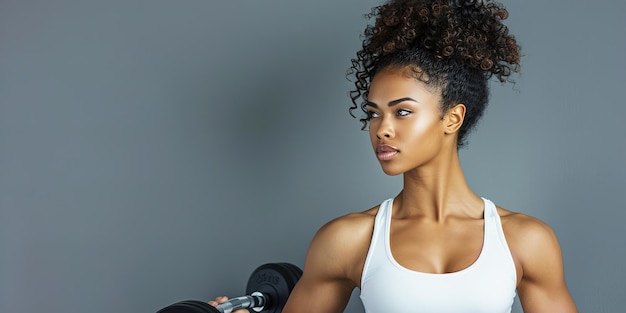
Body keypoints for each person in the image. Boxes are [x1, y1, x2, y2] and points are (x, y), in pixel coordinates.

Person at [211, 0, 577, 312]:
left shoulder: (525, 240)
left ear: (452, 118)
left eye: (402, 111)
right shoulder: (348, 240)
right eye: (374, 113)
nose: (382, 129)